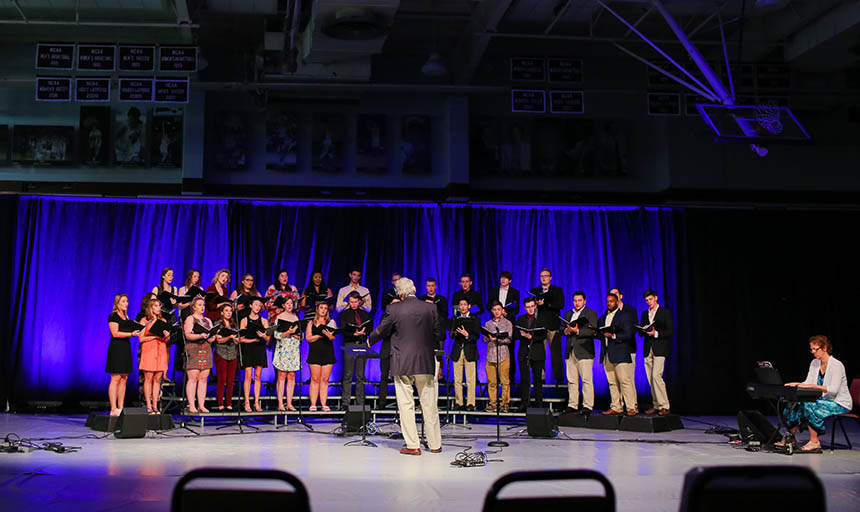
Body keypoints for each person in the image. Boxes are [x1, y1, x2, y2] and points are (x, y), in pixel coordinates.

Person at [368, 277, 443, 455]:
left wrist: (369, 340)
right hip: (425, 361)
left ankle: (413, 445)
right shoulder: (430, 307)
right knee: (430, 404)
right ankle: (435, 444)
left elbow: (382, 330)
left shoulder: (394, 309)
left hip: (402, 361)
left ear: (399, 293)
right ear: (415, 289)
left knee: (406, 405)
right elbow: (439, 334)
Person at [781, 335, 852, 453]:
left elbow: (833, 390)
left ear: (824, 348)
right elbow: (808, 383)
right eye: (812, 349)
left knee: (810, 404)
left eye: (816, 349)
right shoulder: (814, 363)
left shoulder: (837, 365)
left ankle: (814, 442)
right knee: (794, 403)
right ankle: (790, 438)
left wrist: (810, 386)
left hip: (839, 402)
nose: (813, 352)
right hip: (822, 400)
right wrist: (797, 384)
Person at [599, 293, 637, 416]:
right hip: (607, 353)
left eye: (611, 301)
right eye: (607, 301)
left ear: (617, 302)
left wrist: (614, 336)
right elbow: (600, 334)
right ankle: (616, 406)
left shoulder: (624, 316)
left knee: (624, 381)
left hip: (620, 352)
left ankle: (631, 407)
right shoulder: (603, 317)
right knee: (612, 382)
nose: (609, 303)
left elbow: (628, 334)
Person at [561, 291, 599, 415]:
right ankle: (573, 404)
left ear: (584, 301)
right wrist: (566, 331)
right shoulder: (568, 314)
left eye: (579, 300)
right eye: (575, 300)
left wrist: (577, 331)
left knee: (586, 380)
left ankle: (587, 405)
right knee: (572, 380)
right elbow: (561, 328)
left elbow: (592, 331)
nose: (577, 303)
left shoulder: (590, 313)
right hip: (570, 350)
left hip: (584, 350)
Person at [638, 289, 673, 415]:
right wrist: (643, 331)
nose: (649, 302)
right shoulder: (644, 314)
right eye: (647, 300)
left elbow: (670, 331)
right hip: (648, 348)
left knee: (656, 376)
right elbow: (641, 333)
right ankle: (656, 405)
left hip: (660, 348)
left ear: (656, 298)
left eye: (651, 299)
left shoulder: (664, 313)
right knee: (650, 378)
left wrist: (656, 333)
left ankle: (664, 405)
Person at [106, 294, 142, 416]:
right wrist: (131, 334)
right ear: (117, 303)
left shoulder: (126, 317)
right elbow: (115, 333)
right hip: (116, 348)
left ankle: (121, 407)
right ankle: (113, 408)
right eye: (123, 301)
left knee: (124, 378)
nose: (126, 304)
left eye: (127, 301)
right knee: (115, 378)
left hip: (125, 347)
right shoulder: (113, 316)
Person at [530, 268, 565, 383]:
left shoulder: (557, 290)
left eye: (546, 276)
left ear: (550, 277)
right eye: (541, 276)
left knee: (556, 353)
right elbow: (530, 307)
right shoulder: (535, 291)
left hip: (553, 325)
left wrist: (546, 304)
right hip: (540, 326)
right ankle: (541, 377)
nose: (543, 278)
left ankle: (558, 377)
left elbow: (560, 305)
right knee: (539, 353)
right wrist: (537, 305)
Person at [486, 271, 520, 386]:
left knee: (509, 350)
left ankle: (510, 376)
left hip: (507, 323)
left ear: (510, 281)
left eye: (506, 279)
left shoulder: (515, 292)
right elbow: (488, 305)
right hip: (495, 324)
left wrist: (506, 314)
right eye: (502, 278)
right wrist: (496, 310)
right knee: (494, 349)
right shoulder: (494, 291)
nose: (503, 280)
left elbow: (517, 310)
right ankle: (496, 377)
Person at [340, 291, 373, 408]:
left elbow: (370, 328)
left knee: (360, 376)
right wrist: (354, 333)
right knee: (348, 375)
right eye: (351, 302)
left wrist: (363, 333)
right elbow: (343, 330)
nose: (353, 304)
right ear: (348, 302)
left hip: (361, 344)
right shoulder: (344, 314)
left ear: (359, 301)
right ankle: (345, 402)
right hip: (350, 344)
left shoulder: (365, 314)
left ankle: (360, 402)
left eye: (355, 302)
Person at [448, 298, 481, 411]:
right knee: (457, 379)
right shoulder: (454, 319)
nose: (462, 307)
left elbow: (476, 336)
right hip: (457, 350)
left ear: (469, 306)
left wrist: (467, 335)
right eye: (460, 305)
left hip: (469, 350)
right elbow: (451, 335)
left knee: (470, 379)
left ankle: (471, 403)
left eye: (464, 305)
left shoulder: (475, 319)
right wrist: (455, 333)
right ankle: (459, 402)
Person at [375, 271, 402, 408]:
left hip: (399, 350)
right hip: (386, 348)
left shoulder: (403, 318)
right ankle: (381, 402)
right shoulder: (384, 318)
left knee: (400, 378)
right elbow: (382, 333)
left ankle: (400, 403)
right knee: (384, 376)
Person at [515, 297, 547, 412]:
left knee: (537, 379)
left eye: (532, 306)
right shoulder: (521, 318)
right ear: (525, 308)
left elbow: (544, 335)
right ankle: (524, 403)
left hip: (537, 352)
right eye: (528, 307)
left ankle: (539, 403)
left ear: (536, 306)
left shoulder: (541, 318)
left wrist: (531, 337)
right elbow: (515, 334)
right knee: (524, 379)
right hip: (524, 352)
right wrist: (522, 335)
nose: (530, 309)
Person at [183, 297, 214, 413]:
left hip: (206, 349)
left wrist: (211, 336)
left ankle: (201, 404)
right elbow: (188, 335)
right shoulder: (190, 318)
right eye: (199, 305)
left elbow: (212, 337)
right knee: (193, 377)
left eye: (203, 305)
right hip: (194, 349)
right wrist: (200, 335)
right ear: (194, 307)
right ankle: (191, 404)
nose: (202, 307)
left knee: (203, 378)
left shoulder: (208, 320)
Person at [140, 299, 171, 414]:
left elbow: (166, 339)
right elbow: (141, 338)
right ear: (151, 308)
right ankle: (148, 405)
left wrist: (167, 336)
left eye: (159, 306)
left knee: (157, 379)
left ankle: (155, 405)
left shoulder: (163, 320)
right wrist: (154, 337)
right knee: (148, 378)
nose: (158, 308)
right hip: (149, 350)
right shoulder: (145, 321)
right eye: (156, 306)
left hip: (161, 350)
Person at [239, 296, 270, 412]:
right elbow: (241, 339)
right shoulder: (245, 320)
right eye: (255, 305)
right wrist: (252, 340)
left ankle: (256, 402)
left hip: (259, 348)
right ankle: (247, 402)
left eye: (259, 305)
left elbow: (268, 338)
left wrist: (264, 336)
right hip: (248, 347)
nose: (257, 307)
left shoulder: (264, 321)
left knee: (258, 376)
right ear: (251, 306)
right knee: (248, 376)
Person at [305, 301, 337, 411]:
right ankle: (313, 404)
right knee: (315, 379)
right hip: (315, 352)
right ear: (317, 309)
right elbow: (308, 338)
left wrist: (328, 335)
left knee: (325, 379)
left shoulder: (331, 322)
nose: (323, 310)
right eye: (321, 308)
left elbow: (333, 337)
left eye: (325, 308)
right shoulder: (311, 322)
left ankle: (324, 404)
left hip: (327, 352)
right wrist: (319, 335)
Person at [273, 297, 302, 411]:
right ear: (283, 305)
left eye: (291, 303)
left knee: (292, 376)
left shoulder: (295, 317)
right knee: (282, 376)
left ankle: (289, 403)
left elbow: (301, 336)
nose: (290, 305)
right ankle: (280, 403)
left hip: (293, 348)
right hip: (283, 347)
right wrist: (287, 332)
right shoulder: (279, 318)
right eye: (287, 303)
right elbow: (276, 335)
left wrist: (297, 335)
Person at [484, 301, 513, 412]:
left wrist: (499, 339)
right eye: (494, 310)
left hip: (503, 354)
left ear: (502, 311)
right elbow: (484, 339)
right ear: (492, 311)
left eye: (499, 310)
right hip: (490, 354)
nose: (496, 312)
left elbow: (509, 339)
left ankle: (505, 403)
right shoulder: (488, 324)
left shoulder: (507, 323)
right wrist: (489, 338)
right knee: (492, 382)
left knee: (505, 381)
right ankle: (493, 403)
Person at [213, 303, 239, 410]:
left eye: (230, 311)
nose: (229, 313)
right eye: (226, 311)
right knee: (222, 379)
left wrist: (236, 340)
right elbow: (218, 340)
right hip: (221, 353)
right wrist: (229, 337)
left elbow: (237, 340)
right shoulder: (218, 324)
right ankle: (220, 403)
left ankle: (229, 403)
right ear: (222, 312)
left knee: (231, 380)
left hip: (233, 353)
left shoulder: (234, 325)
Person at [610, 287, 638, 382]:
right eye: (611, 294)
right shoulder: (609, 312)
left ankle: (631, 398)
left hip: (628, 348)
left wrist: (618, 335)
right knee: (616, 380)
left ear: (621, 296)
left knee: (628, 379)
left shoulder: (630, 310)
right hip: (614, 349)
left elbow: (633, 329)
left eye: (616, 293)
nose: (613, 295)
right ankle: (620, 398)